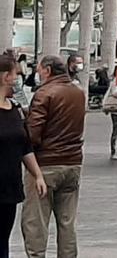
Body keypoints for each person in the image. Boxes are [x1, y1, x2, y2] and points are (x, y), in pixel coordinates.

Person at [21, 56, 83, 258]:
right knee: (67, 223)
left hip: (45, 165)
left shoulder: (44, 94)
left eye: (39, 70)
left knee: (36, 222)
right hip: (73, 162)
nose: (38, 73)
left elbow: (33, 134)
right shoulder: (78, 92)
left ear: (47, 70)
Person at [0, 54, 46, 256]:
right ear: (5, 77)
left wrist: (37, 175)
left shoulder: (15, 110)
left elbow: (25, 146)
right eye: (15, 75)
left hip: (8, 188)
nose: (18, 80)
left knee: (2, 241)